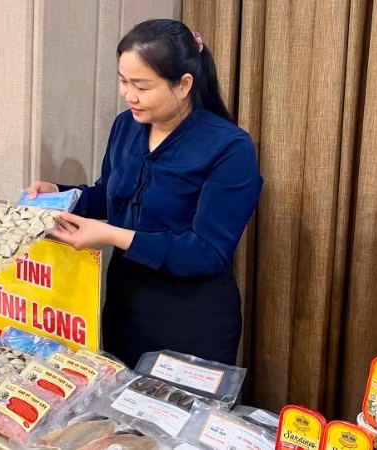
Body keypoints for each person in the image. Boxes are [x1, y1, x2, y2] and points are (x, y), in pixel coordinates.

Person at [27, 19, 263, 368]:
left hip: (192, 323)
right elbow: (110, 194)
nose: (128, 95)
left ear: (183, 85)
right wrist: (61, 194)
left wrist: (110, 234)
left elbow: (207, 251)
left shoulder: (230, 146)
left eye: (141, 85)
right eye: (123, 81)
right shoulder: (126, 126)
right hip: (126, 310)